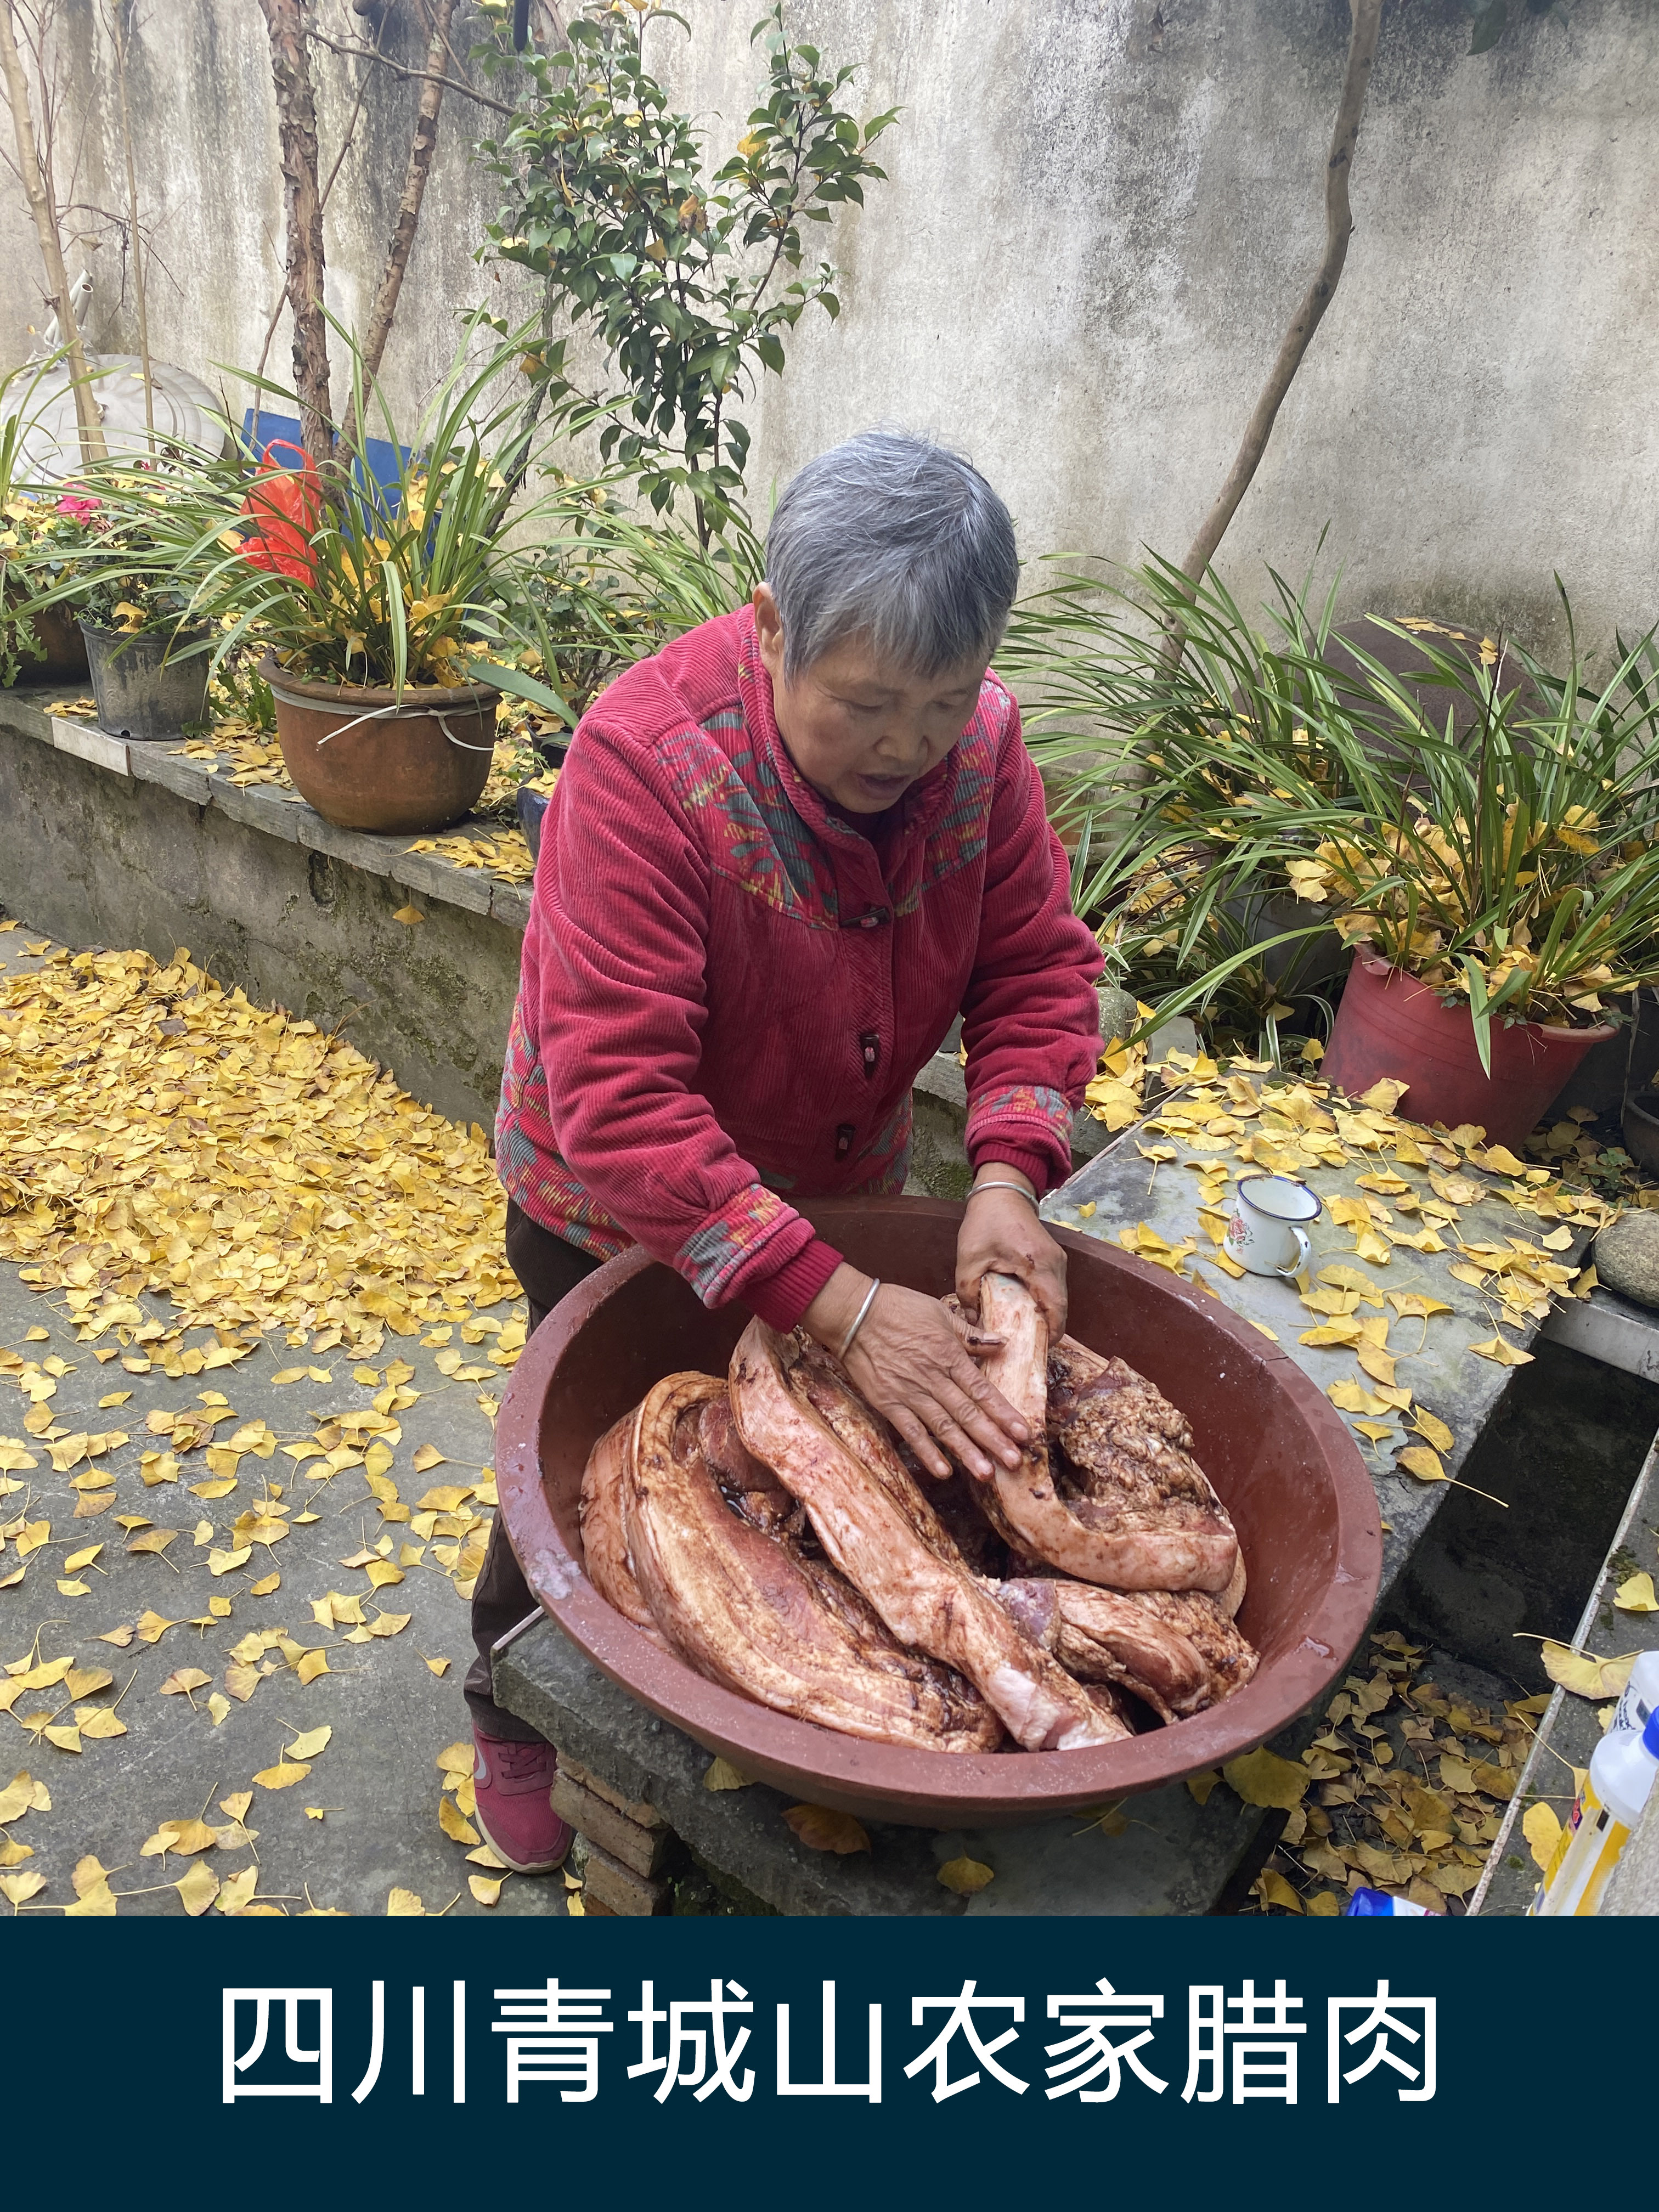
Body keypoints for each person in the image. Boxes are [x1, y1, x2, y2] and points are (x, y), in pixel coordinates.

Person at [467, 428, 1104, 1872]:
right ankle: (511, 1697)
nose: (906, 746)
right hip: (615, 1213)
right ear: (768, 632)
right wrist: (856, 1308)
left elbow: (1035, 972)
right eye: (866, 704)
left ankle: (765, 1697)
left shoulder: (984, 753)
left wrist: (1008, 1176)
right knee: (601, 1480)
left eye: (942, 703)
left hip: (832, 1190)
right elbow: (621, 1103)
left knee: (798, 1482)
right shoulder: (642, 767)